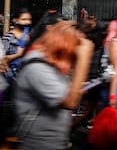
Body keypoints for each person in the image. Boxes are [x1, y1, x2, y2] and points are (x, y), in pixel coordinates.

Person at [13, 21, 94, 150]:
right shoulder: (38, 69)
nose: (77, 52)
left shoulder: (52, 66)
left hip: (55, 140)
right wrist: (84, 58)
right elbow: (70, 102)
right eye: (76, 47)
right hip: (39, 144)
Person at [1, 8, 32, 83]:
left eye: (29, 19)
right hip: (13, 80)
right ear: (15, 20)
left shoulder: (31, 36)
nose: (27, 22)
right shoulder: (8, 38)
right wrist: (18, 54)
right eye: (24, 19)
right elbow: (2, 59)